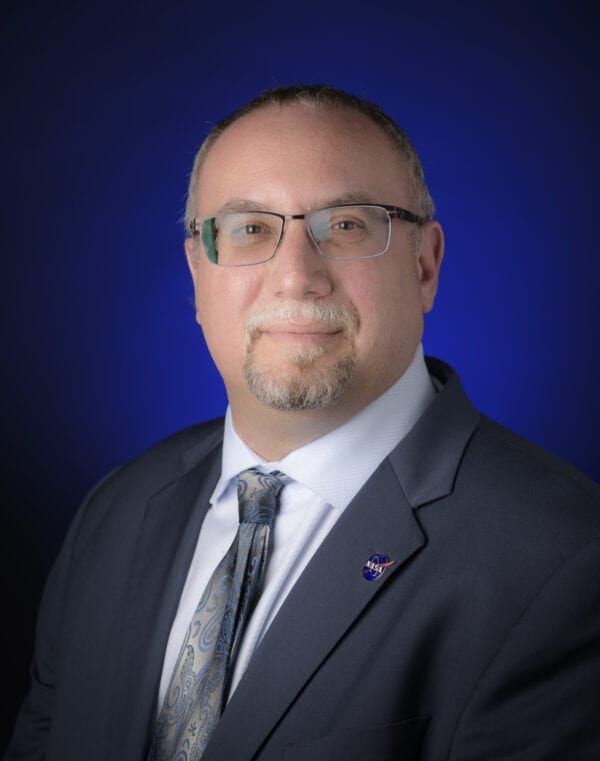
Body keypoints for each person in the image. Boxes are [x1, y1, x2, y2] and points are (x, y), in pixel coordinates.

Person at [5, 84, 600, 761]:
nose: (295, 276)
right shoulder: (115, 512)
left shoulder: (562, 562)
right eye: (249, 229)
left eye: (345, 225)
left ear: (425, 266)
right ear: (197, 272)